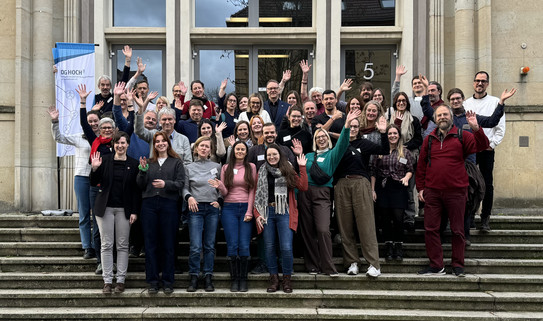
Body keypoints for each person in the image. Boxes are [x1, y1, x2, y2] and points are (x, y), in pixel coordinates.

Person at [416, 105, 489, 277]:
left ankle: (458, 265)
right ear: (435, 119)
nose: (442, 117)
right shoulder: (429, 139)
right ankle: (436, 266)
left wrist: (476, 129)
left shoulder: (463, 136)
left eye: (445, 114)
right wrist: (420, 188)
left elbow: (483, 145)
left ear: (451, 117)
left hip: (456, 191)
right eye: (439, 115)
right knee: (431, 229)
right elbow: (421, 166)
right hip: (432, 192)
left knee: (457, 230)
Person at [298, 108, 361, 276]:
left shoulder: (333, 154)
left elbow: (343, 143)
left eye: (324, 137)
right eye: (318, 137)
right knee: (307, 230)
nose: (321, 139)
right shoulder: (309, 155)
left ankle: (327, 267)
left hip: (323, 194)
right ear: (315, 140)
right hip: (305, 193)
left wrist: (346, 126)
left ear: (328, 139)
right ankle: (312, 265)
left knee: (323, 229)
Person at [335, 115, 389, 277]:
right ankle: (352, 262)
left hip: (360, 183)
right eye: (350, 126)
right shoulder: (339, 145)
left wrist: (383, 133)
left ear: (359, 129)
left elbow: (384, 150)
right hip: (342, 185)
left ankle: (374, 264)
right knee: (345, 226)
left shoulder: (363, 144)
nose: (352, 129)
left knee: (366, 225)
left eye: (356, 126)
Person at [90, 132, 140, 294]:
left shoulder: (133, 164)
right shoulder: (104, 161)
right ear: (113, 145)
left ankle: (120, 280)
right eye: (117, 143)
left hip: (124, 210)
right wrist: (95, 168)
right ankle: (107, 281)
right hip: (105, 208)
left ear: (128, 145)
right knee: (106, 244)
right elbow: (93, 181)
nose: (120, 146)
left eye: (123, 143)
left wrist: (134, 211)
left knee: (123, 245)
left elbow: (135, 190)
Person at [254, 146, 308, 293]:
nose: (272, 157)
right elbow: (257, 194)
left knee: (286, 247)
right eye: (269, 155)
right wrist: (257, 214)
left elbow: (302, 186)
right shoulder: (262, 170)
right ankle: (274, 279)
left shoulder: (287, 168)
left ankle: (286, 279)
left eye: (274, 154)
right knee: (269, 247)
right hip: (267, 212)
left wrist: (302, 167)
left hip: (284, 210)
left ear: (280, 155)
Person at [49, 106, 99, 260]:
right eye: (89, 121)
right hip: (82, 178)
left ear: (99, 121)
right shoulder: (79, 137)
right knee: (84, 214)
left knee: (98, 215)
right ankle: (87, 246)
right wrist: (55, 121)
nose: (92, 124)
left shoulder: (105, 139)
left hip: (98, 179)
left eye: (95, 121)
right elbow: (59, 138)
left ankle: (97, 245)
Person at [137, 132, 185, 294]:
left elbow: (180, 183)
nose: (160, 143)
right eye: (157, 141)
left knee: (168, 244)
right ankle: (152, 281)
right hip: (149, 205)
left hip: (169, 205)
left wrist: (166, 184)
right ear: (154, 145)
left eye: (163, 141)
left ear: (168, 143)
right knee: (150, 244)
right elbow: (140, 185)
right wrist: (142, 171)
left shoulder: (176, 162)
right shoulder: (149, 163)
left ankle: (168, 281)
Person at [77, 83, 116, 275]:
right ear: (99, 130)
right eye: (103, 128)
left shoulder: (118, 143)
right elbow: (85, 124)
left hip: (114, 188)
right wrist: (84, 102)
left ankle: (113, 261)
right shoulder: (95, 141)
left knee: (114, 227)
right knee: (98, 226)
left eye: (110, 128)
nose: (107, 130)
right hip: (97, 189)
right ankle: (101, 262)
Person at [209, 141, 256, 292]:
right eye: (238, 149)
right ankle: (234, 280)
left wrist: (249, 211)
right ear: (233, 151)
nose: (240, 151)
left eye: (243, 149)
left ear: (246, 152)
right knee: (232, 244)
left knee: (244, 244)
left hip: (245, 208)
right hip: (229, 208)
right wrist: (220, 186)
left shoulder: (252, 167)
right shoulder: (225, 168)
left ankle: (243, 279)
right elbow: (224, 192)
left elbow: (252, 191)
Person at [463, 71, 506, 233]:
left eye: (483, 81)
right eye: (477, 81)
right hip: (470, 151)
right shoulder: (466, 103)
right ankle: (471, 215)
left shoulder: (496, 102)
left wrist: (492, 144)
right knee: (471, 183)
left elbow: (499, 126)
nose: (480, 84)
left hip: (487, 149)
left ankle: (485, 218)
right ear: (473, 83)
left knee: (487, 184)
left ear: (487, 84)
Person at [183, 136, 223, 292]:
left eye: (207, 146)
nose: (204, 148)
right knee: (195, 246)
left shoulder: (217, 166)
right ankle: (193, 276)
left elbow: (222, 187)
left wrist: (220, 200)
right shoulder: (189, 167)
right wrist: (189, 197)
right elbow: (184, 188)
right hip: (196, 209)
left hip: (212, 209)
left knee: (209, 245)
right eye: (201, 146)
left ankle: (208, 276)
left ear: (210, 150)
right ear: (196, 149)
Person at [371, 124, 415, 262]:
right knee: (385, 218)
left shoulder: (405, 152)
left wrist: (407, 178)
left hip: (398, 186)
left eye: (395, 133)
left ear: (399, 135)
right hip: (382, 187)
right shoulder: (379, 151)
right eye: (389, 133)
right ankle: (388, 246)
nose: (392, 136)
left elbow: (410, 168)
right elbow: (373, 171)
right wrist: (372, 190)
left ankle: (398, 245)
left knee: (398, 218)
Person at [390, 91, 423, 232]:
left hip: (410, 157)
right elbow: (388, 135)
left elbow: (418, 139)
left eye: (404, 100)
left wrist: (406, 146)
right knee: (394, 189)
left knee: (409, 190)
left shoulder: (413, 119)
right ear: (395, 103)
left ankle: (409, 219)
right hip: (392, 159)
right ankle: (395, 218)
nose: (401, 103)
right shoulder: (389, 118)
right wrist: (396, 123)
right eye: (398, 101)